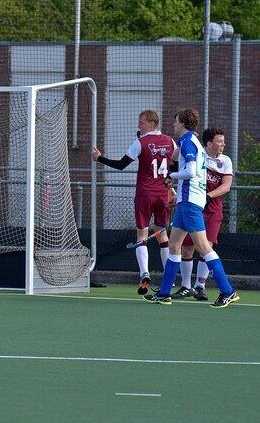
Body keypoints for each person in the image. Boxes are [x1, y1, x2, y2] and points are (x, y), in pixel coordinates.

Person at [146, 109, 239, 308]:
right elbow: (176, 157)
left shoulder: (189, 142)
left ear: (183, 123)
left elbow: (191, 171)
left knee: (203, 247)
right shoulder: (189, 141)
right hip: (186, 202)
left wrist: (171, 177)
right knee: (174, 245)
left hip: (191, 202)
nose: (173, 125)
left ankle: (228, 291)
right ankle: (164, 293)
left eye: (176, 121)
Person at [91, 110, 175, 295]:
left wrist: (99, 158)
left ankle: (144, 273)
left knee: (142, 236)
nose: (139, 125)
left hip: (145, 195)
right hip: (163, 195)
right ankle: (169, 276)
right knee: (162, 236)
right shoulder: (170, 142)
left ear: (152, 124)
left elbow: (121, 165)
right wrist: (172, 187)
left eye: (142, 122)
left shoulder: (140, 142)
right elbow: (175, 166)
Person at [172, 127, 233, 301]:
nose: (222, 144)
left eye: (223, 141)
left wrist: (208, 196)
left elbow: (226, 186)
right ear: (209, 143)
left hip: (212, 210)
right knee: (187, 247)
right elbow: (175, 160)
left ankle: (200, 286)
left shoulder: (225, 161)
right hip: (194, 206)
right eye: (219, 141)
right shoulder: (198, 154)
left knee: (207, 247)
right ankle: (186, 286)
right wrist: (183, 140)